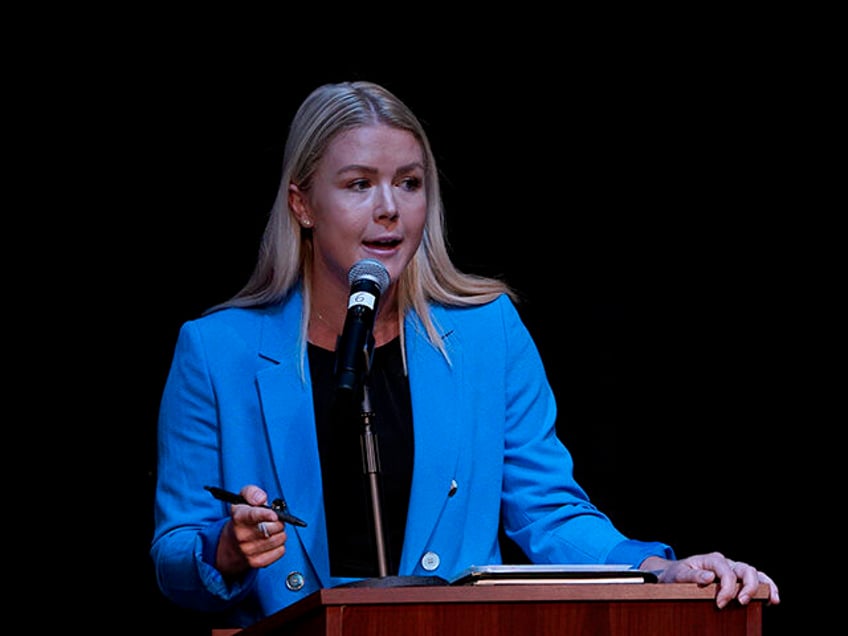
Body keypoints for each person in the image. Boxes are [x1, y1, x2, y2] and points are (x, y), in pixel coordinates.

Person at [150, 80, 780, 629]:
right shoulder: (216, 351)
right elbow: (175, 553)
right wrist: (226, 551)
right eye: (359, 184)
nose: (389, 208)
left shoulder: (487, 333)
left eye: (409, 183)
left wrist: (657, 570)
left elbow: (548, 512)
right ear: (302, 204)